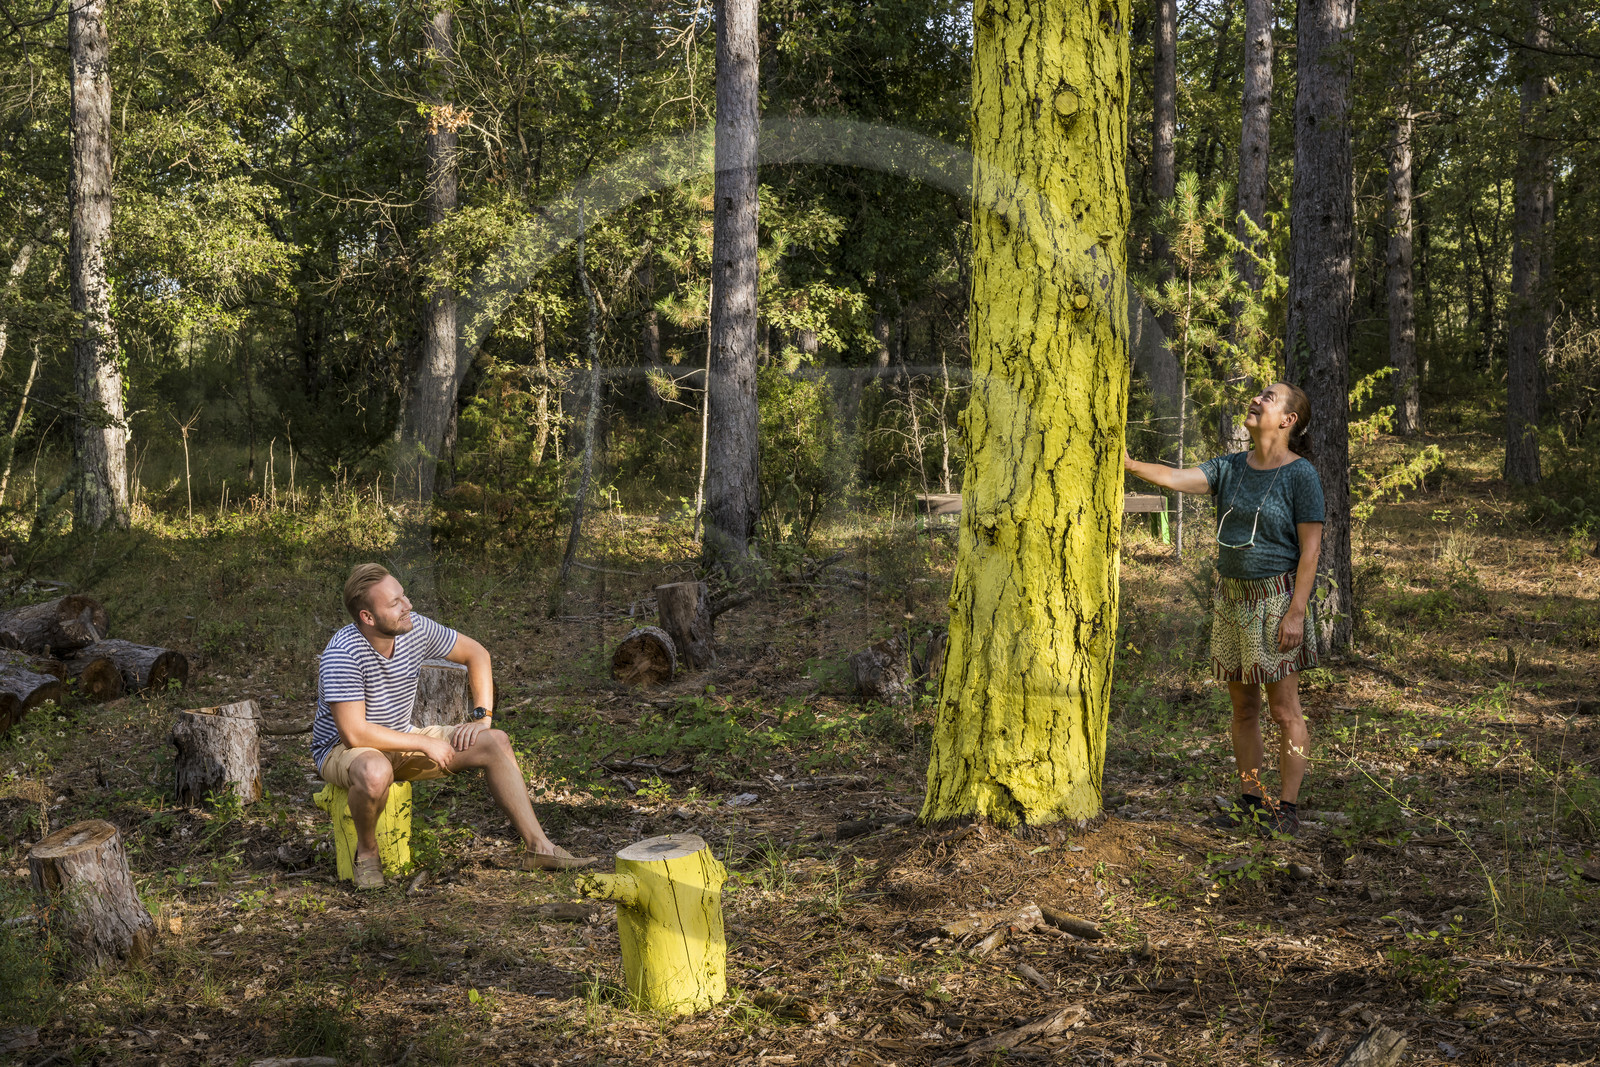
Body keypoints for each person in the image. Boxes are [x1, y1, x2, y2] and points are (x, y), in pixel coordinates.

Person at [310, 563, 595, 887]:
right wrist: (424, 743)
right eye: (395, 603)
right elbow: (354, 733)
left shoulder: (414, 628)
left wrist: (482, 718)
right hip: (343, 751)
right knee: (375, 771)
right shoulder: (343, 652)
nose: (408, 606)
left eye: (404, 596)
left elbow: (477, 654)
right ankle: (367, 852)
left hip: (401, 737)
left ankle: (539, 848)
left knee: (495, 742)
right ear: (368, 617)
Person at [1124, 382, 1325, 837]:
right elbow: (1176, 478)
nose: (1256, 400)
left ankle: (1287, 809)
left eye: (1268, 398)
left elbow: (1310, 552)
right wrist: (1130, 464)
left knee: (1283, 710)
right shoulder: (1231, 467)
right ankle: (1251, 801)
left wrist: (1296, 613)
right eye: (1258, 395)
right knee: (1243, 710)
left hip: (1275, 602)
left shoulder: (1300, 475)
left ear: (1288, 420)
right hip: (1232, 601)